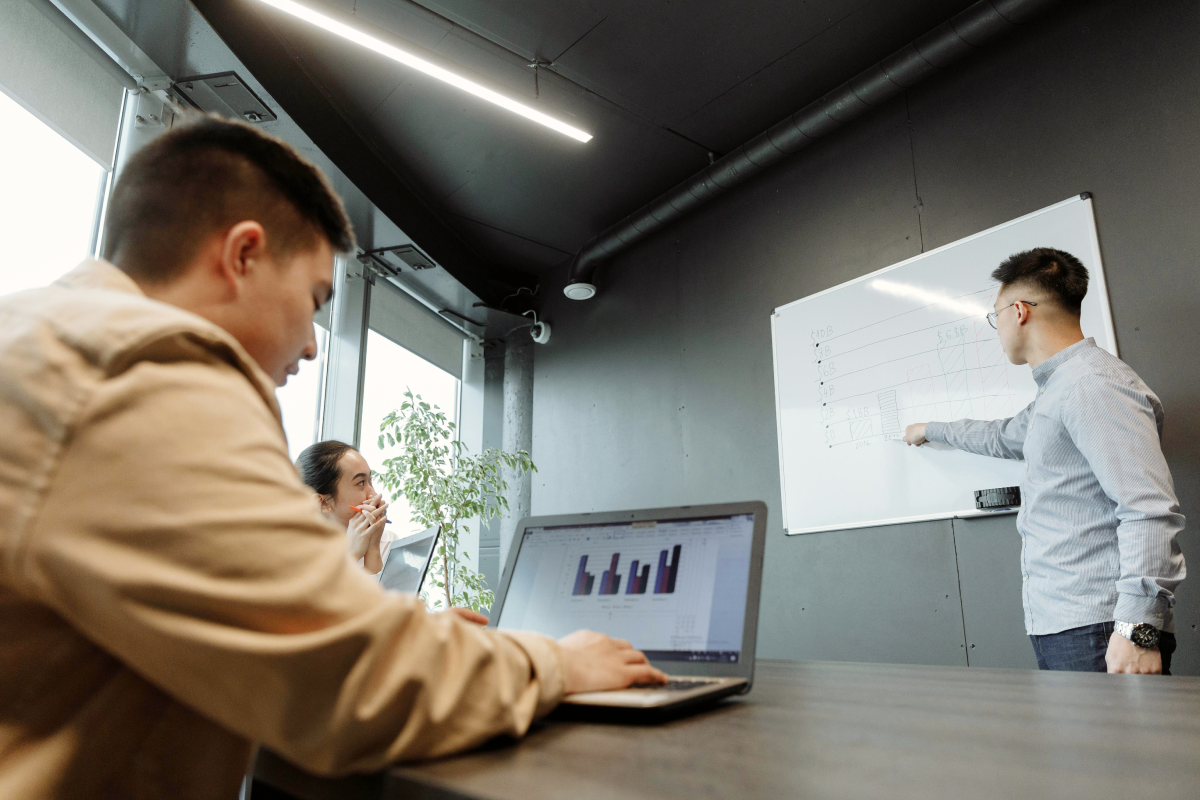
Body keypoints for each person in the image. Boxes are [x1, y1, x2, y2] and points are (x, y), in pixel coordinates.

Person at [0, 115, 664, 800]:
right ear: (243, 255)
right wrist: (556, 662)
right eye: (316, 299)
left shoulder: (43, 338)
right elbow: (346, 677)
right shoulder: (143, 368)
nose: (316, 346)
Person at [904, 248, 1185, 675]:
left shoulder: (1092, 386)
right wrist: (933, 428)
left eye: (994, 316)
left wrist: (1136, 632)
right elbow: (1004, 436)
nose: (996, 329)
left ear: (1018, 312)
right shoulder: (1060, 391)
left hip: (1103, 627)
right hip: (1071, 624)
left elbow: (1148, 509)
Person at [296, 440, 392, 574]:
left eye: (370, 481)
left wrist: (373, 550)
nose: (374, 495)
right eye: (361, 483)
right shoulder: (292, 556)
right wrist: (351, 555)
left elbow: (378, 595)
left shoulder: (388, 543)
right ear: (323, 503)